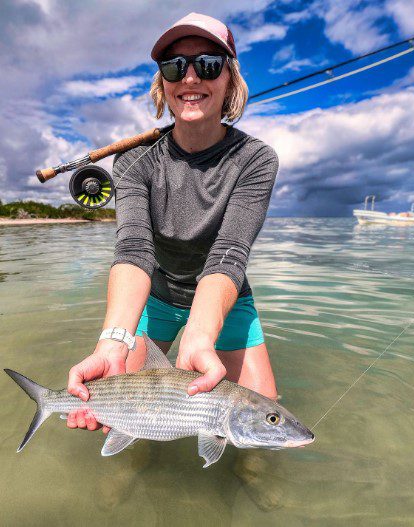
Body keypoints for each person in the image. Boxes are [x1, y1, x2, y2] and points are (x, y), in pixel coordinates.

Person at [66, 12, 279, 433]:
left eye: (209, 64)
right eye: (174, 66)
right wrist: (113, 340)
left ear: (230, 80)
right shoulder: (133, 162)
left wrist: (201, 334)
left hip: (225, 303)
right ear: (163, 82)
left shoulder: (256, 160)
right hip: (158, 298)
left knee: (266, 413)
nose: (191, 77)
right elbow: (134, 251)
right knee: (124, 416)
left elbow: (229, 254)